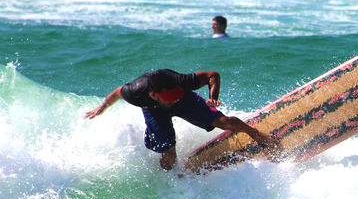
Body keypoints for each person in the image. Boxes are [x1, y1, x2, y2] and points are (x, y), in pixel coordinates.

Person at [85, 68, 278, 170]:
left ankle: (257, 134)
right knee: (168, 153)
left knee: (223, 122)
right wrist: (101, 108)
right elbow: (117, 93)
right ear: (153, 94)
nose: (173, 100)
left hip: (187, 101)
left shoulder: (181, 83)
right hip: (154, 111)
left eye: (175, 95)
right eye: (169, 98)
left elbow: (213, 75)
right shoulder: (135, 92)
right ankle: (171, 179)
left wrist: (213, 97)